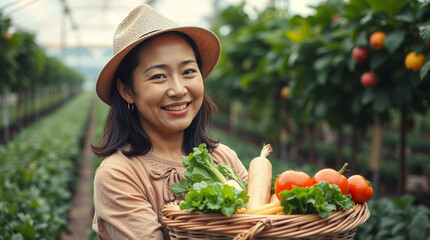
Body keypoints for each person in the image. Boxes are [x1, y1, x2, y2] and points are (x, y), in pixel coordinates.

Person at [91, 4, 248, 240]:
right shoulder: (119, 175)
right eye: (158, 76)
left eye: (188, 71)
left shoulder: (224, 159)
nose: (178, 89)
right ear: (127, 90)